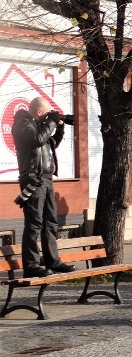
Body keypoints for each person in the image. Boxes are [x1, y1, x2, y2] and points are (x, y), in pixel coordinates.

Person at [11, 98, 75, 277]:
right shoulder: (22, 123)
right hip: (33, 179)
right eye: (47, 114)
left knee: (50, 221)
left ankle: (52, 260)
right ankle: (31, 266)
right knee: (34, 223)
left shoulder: (38, 125)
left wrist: (60, 127)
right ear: (39, 112)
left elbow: (49, 143)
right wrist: (52, 121)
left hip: (46, 179)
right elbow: (38, 139)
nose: (49, 117)